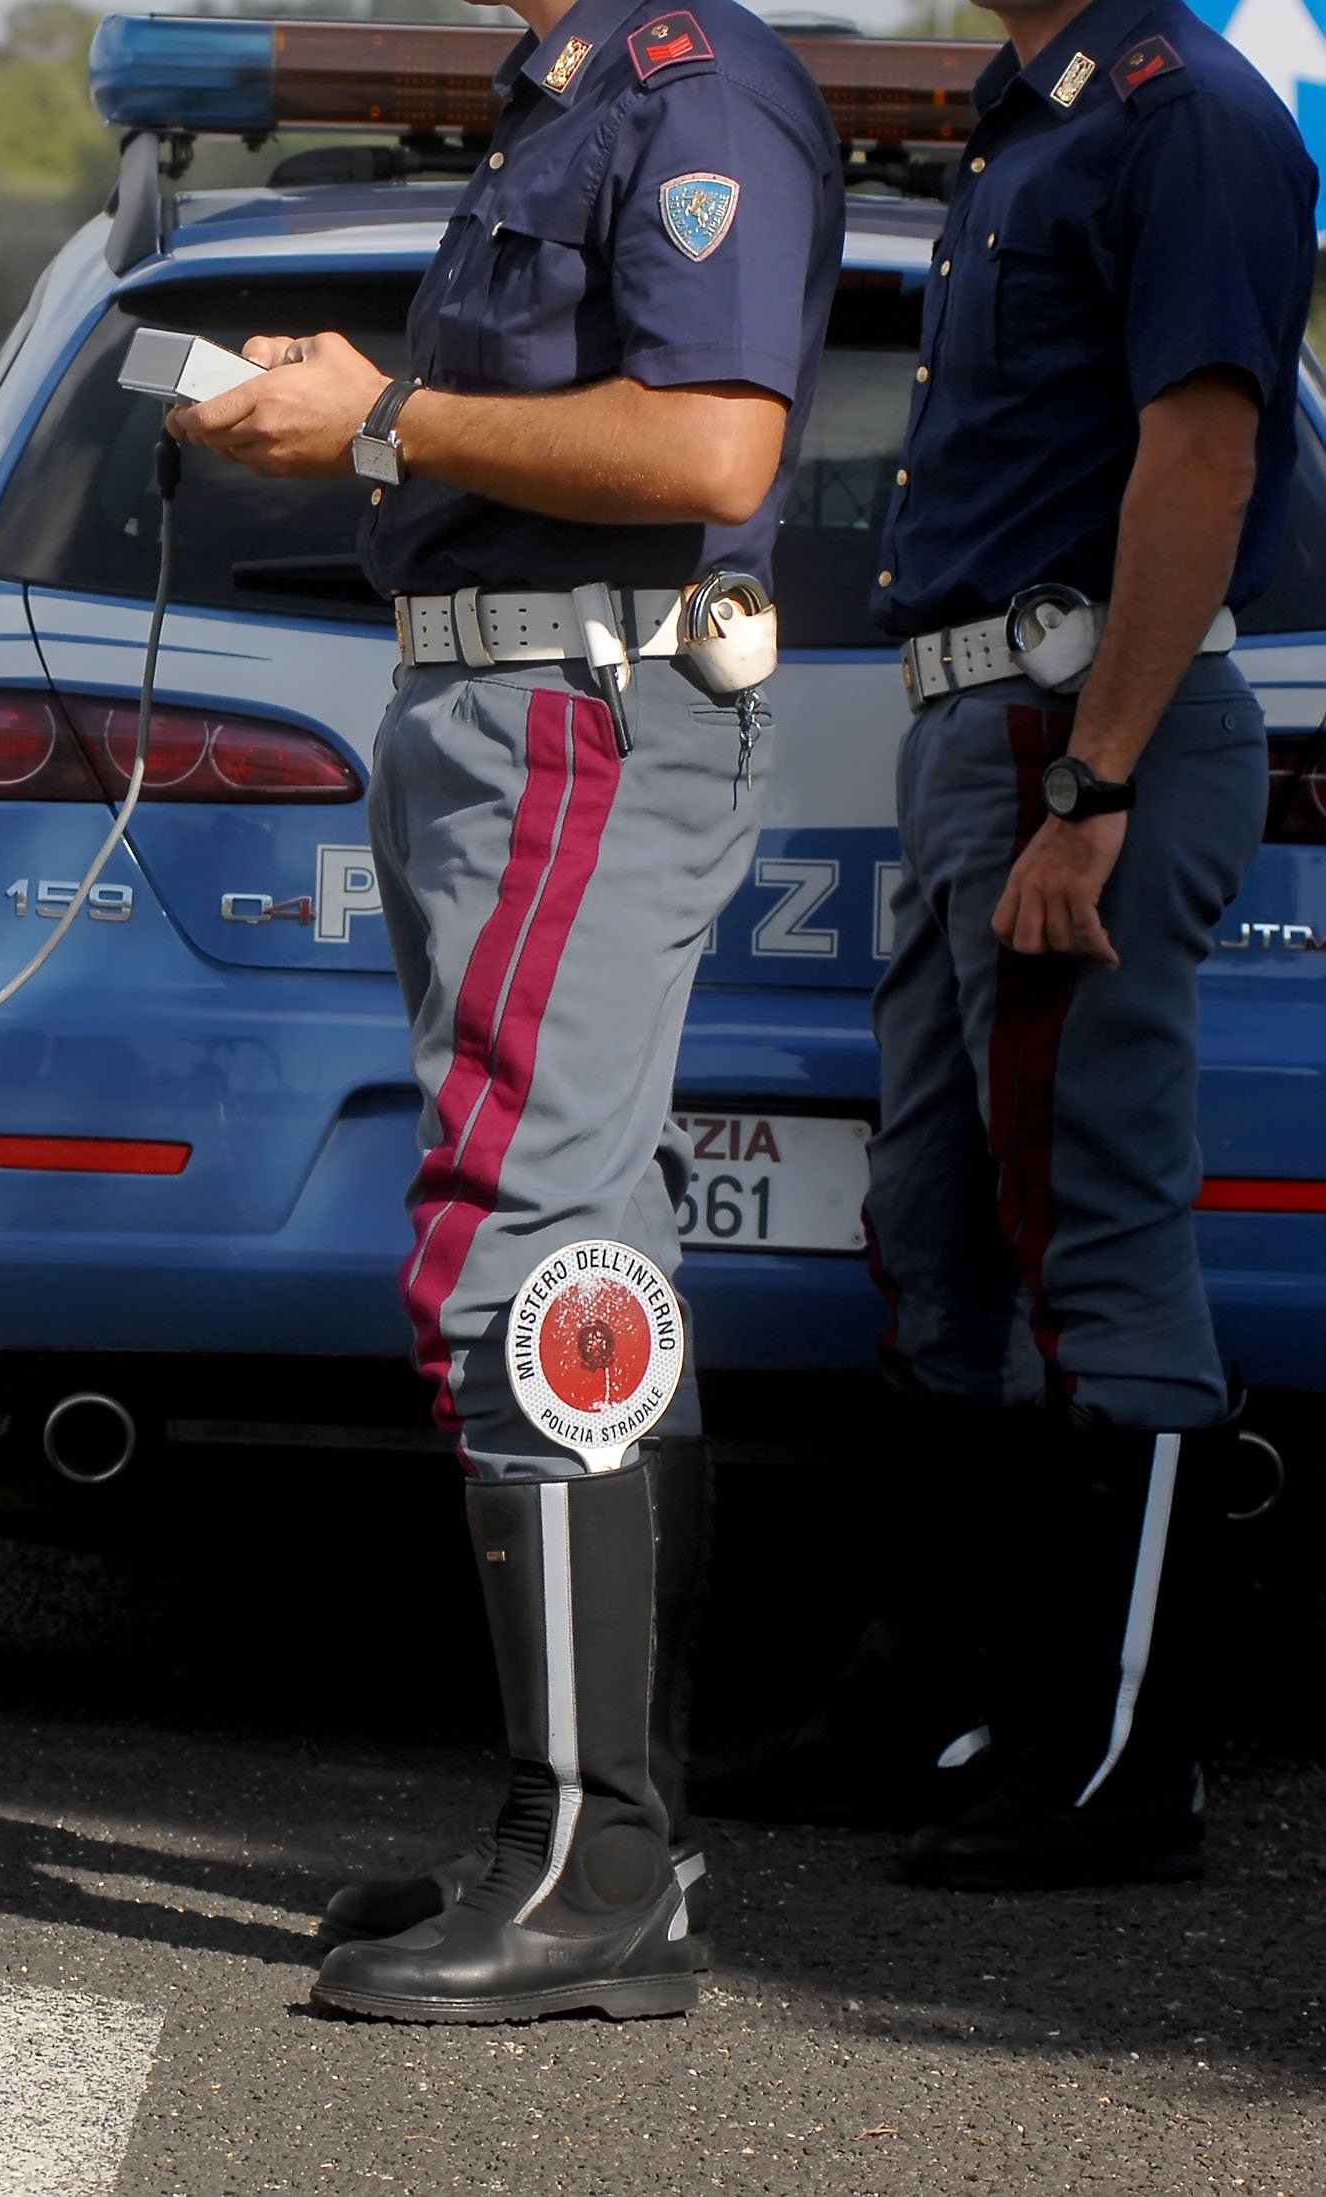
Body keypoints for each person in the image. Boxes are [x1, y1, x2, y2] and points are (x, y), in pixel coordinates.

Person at [169, 0, 841, 2020]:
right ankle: (590, 1841)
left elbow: (710, 442)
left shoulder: (691, 88)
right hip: (503, 701)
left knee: (519, 1236)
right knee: (586, 1235)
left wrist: (381, 418)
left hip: (583, 702)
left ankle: (591, 1863)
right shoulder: (574, 101)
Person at [843, 0, 1314, 1887]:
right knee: (939, 1229)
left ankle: (1124, 1762)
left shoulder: (1180, 113)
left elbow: (1197, 460)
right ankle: (928, 1715)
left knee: (1097, 1237)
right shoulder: (1029, 115)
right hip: (986, 729)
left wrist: (1093, 782)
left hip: (1076, 733)